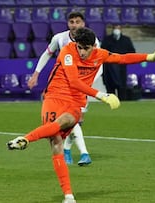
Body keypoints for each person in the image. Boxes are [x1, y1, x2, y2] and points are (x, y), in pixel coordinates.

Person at [7, 27, 155, 203]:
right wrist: (102, 95)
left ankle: (26, 139)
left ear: (93, 46)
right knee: (55, 141)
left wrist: (150, 57)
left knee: (67, 121)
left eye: (85, 48)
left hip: (75, 101)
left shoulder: (99, 54)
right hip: (54, 97)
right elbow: (74, 81)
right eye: (79, 47)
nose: (82, 51)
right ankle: (69, 196)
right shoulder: (68, 52)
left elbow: (122, 58)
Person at [28, 11, 98, 166]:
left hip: (82, 86)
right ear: (68, 24)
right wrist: (36, 74)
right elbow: (47, 54)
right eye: (72, 22)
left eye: (78, 22)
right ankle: (84, 153)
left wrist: (89, 83)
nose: (75, 25)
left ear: (83, 23)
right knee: (72, 121)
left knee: (75, 121)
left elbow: (99, 63)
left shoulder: (92, 41)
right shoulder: (60, 38)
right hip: (63, 88)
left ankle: (67, 150)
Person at [101, 25, 136, 101]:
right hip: (109, 68)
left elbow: (132, 52)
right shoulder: (107, 40)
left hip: (121, 68)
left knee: (122, 89)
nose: (117, 30)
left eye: (118, 28)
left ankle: (123, 104)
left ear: (121, 29)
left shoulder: (126, 40)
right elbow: (102, 52)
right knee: (110, 89)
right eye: (115, 28)